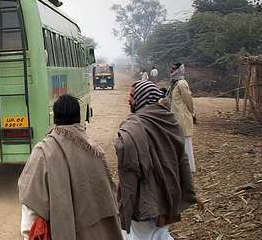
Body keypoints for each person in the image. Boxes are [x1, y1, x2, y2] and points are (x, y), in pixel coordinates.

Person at [18, 94, 123, 240]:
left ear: (54, 119)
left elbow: (31, 208)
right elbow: (109, 199)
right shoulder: (95, 151)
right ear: (78, 117)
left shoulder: (42, 152)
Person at [115, 80, 196, 240]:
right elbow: (183, 159)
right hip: (168, 194)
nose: (129, 100)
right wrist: (188, 192)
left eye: (133, 96)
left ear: (143, 97)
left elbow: (128, 165)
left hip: (143, 197)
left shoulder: (134, 125)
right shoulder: (169, 120)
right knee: (160, 234)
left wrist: (125, 203)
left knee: (137, 235)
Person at [164, 63, 196, 172]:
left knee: (185, 141)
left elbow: (188, 100)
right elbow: (168, 99)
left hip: (182, 116)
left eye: (173, 69)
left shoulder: (182, 84)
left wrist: (193, 113)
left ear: (179, 70)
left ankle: (189, 168)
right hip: (175, 116)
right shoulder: (174, 83)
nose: (171, 71)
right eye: (171, 68)